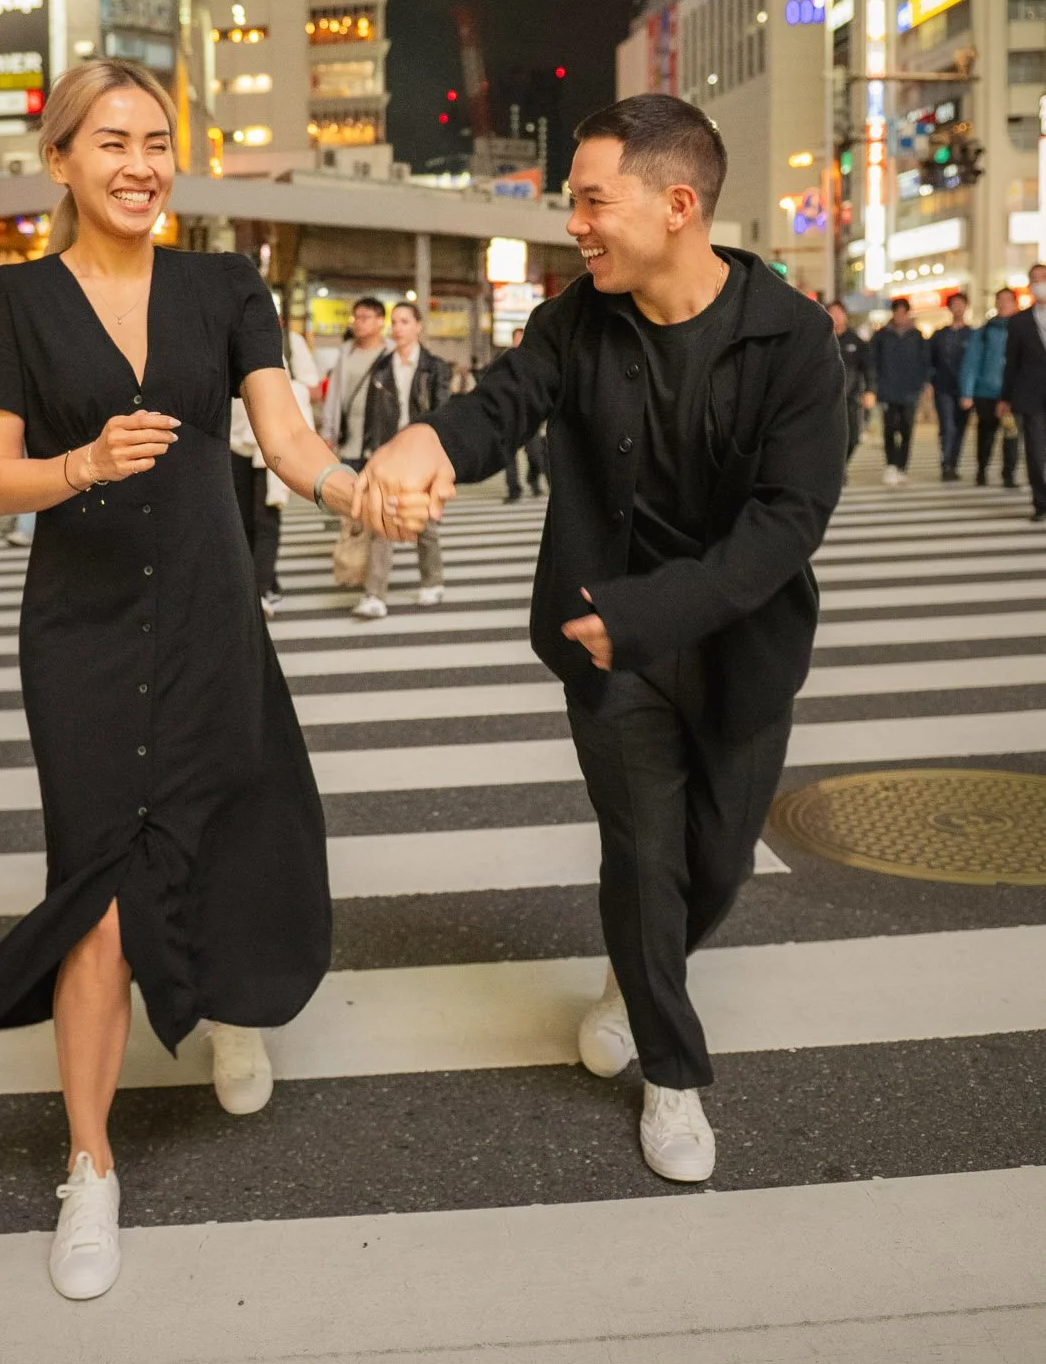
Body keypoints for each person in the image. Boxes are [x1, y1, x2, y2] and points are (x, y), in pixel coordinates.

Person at [354, 93, 845, 1186]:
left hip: (733, 644)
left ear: (676, 204)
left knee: (715, 863)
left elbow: (788, 520)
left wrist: (651, 611)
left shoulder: (791, 339)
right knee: (644, 854)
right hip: (605, 645)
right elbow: (503, 405)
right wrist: (429, 435)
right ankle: (671, 1075)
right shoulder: (576, 320)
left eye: (589, 199)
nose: (572, 222)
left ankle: (637, 973)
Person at [0, 58, 369, 1303]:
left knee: (223, 823)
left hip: (204, 605)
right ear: (64, 157)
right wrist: (81, 462)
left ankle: (228, 1002)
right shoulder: (8, 299)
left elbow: (285, 441)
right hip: (77, 627)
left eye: (157, 142)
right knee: (95, 889)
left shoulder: (224, 284)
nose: (139, 163)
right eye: (112, 140)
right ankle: (90, 1163)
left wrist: (361, 494)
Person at [352, 300, 450, 620]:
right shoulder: (382, 368)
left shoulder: (434, 367)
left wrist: (440, 451)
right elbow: (371, 413)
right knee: (382, 522)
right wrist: (370, 450)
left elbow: (443, 412)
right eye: (395, 322)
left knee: (425, 523)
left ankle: (432, 579)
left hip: (422, 455)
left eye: (405, 321)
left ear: (418, 326)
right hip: (389, 452)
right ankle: (374, 594)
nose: (398, 328)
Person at [231, 318, 321, 615]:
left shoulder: (289, 342)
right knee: (241, 520)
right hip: (235, 441)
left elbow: (312, 387)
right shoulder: (226, 335)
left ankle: (259, 592)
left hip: (274, 443)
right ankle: (264, 582)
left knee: (266, 518)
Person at [959, 287, 1020, 488]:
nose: (1003, 304)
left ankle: (1008, 474)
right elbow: (972, 362)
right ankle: (982, 469)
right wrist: (967, 392)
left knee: (1012, 434)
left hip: (1013, 392)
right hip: (986, 391)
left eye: (1007, 300)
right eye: (999, 300)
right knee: (986, 433)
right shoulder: (984, 331)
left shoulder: (1023, 329)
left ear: (1015, 303)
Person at [999, 262, 1046, 522]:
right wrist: (1005, 397)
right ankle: (1040, 502)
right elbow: (1011, 362)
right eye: (1035, 279)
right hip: (1031, 395)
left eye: (1044, 277)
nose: (1039, 283)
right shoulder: (1019, 322)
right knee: (1035, 452)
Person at [319, 297, 389, 469]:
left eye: (364, 318)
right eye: (355, 318)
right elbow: (334, 395)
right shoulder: (346, 353)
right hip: (348, 444)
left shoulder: (391, 354)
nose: (358, 323)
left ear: (380, 321)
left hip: (381, 444)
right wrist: (328, 432)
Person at [869, 297, 929, 485]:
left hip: (910, 390)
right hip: (887, 389)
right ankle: (891, 465)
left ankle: (902, 466)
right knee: (889, 429)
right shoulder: (881, 336)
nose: (900, 316)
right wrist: (874, 385)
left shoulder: (917, 336)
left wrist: (923, 385)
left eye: (903, 312)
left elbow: (924, 362)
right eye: (897, 312)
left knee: (907, 429)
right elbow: (873, 361)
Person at [929, 292, 973, 481]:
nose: (957, 307)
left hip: (965, 390)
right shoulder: (939, 335)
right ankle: (946, 463)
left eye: (961, 304)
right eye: (954, 304)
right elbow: (930, 361)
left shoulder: (973, 335)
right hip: (943, 387)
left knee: (961, 427)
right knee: (948, 426)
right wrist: (930, 383)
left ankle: (953, 463)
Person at [504, 327, 549, 501]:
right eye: (518, 338)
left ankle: (533, 479)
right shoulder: (504, 360)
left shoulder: (535, 359)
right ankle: (514, 491)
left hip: (531, 416)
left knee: (536, 454)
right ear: (513, 340)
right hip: (510, 415)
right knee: (509, 457)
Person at [826, 301, 873, 469]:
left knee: (853, 437)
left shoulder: (857, 341)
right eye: (832, 313)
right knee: (829, 437)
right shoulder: (821, 340)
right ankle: (834, 470)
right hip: (826, 399)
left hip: (850, 397)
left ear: (845, 315)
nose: (836, 317)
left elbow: (867, 368)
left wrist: (869, 390)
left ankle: (840, 466)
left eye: (839, 313)